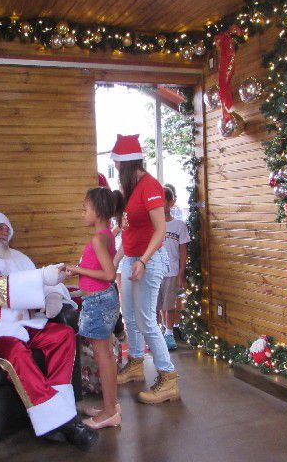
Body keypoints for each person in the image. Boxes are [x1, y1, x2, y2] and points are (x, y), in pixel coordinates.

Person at [0, 212, 98, 450]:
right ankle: (64, 422)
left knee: (62, 335)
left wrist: (53, 294)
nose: (5, 232)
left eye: (7, 228)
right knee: (15, 352)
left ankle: (61, 409)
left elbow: (37, 283)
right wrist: (46, 275)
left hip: (24, 324)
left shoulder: (17, 258)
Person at [111, 134, 180, 404]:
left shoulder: (150, 186)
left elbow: (160, 230)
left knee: (146, 320)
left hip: (148, 261)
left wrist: (142, 261)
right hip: (132, 258)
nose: (115, 168)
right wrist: (119, 258)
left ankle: (168, 378)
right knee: (129, 315)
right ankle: (136, 363)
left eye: (116, 163)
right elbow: (130, 230)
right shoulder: (130, 187)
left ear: (126, 163)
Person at [64, 188, 123, 430]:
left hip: (99, 301)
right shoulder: (107, 234)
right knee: (106, 354)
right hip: (101, 299)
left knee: (103, 356)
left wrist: (77, 270)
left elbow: (109, 274)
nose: (82, 213)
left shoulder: (99, 238)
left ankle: (109, 412)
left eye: (85, 208)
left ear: (98, 211)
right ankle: (112, 405)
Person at [158, 187, 190, 351]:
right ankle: (156, 334)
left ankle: (169, 333)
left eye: (163, 200)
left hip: (172, 272)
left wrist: (181, 273)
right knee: (155, 306)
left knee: (170, 305)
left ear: (171, 202)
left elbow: (183, 250)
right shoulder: (153, 225)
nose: (160, 204)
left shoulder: (179, 225)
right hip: (154, 273)